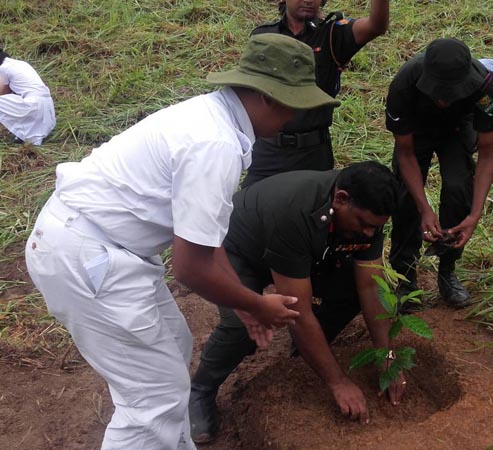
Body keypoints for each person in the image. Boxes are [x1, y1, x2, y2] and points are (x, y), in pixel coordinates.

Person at [24, 33, 340, 450]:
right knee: (151, 401)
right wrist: (255, 304)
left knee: (174, 347)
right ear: (267, 97)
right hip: (89, 255)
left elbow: (207, 244)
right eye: (293, 106)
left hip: (99, 245)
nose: (293, 119)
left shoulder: (213, 119)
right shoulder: (215, 145)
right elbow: (191, 267)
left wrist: (241, 302)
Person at [188, 162, 403, 443]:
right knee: (244, 325)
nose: (369, 234)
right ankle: (200, 390)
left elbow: (370, 287)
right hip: (239, 250)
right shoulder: (294, 212)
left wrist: (385, 355)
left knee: (353, 290)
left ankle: (304, 355)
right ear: (340, 199)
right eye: (364, 224)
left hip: (305, 251)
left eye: (376, 228)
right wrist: (338, 383)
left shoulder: (364, 215)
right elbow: (297, 310)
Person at [386, 38, 493, 308]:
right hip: (416, 131)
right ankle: (405, 278)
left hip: (456, 130)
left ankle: (448, 271)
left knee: (459, 187)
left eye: (449, 92)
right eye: (437, 91)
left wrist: (474, 216)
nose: (442, 99)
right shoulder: (404, 84)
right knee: (405, 198)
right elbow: (406, 154)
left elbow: (487, 154)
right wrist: (424, 208)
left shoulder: (485, 89)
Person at [242, 0, 390, 186]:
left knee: (311, 211)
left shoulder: (332, 34)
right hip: (267, 151)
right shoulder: (263, 36)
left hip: (313, 153)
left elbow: (376, 26)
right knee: (249, 209)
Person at [0, 48, 56, 145]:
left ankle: (21, 134)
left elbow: (3, 92)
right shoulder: (20, 63)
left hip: (33, 104)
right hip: (47, 107)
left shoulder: (3, 68)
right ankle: (21, 135)